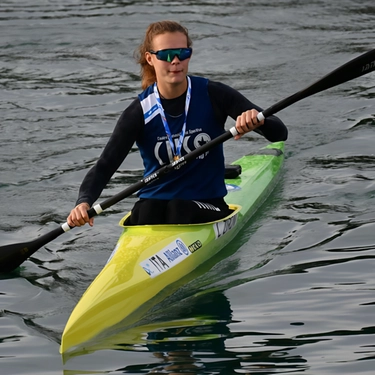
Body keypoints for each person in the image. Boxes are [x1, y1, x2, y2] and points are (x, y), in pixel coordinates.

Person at [67, 20, 288, 228]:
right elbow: (105, 165)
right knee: (146, 210)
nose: (175, 61)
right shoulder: (140, 111)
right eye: (166, 54)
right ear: (151, 58)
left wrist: (256, 121)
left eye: (183, 53)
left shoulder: (213, 94)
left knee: (179, 208)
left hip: (206, 204)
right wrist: (84, 202)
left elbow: (279, 133)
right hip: (153, 206)